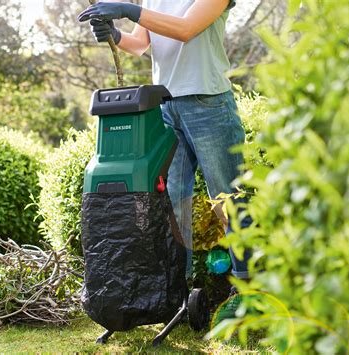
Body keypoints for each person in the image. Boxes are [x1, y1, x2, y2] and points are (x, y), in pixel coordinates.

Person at [78, 0, 250, 288]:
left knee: (228, 201)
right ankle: (176, 291)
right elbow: (139, 44)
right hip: (167, 107)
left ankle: (247, 291)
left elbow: (185, 30)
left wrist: (127, 10)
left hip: (208, 104)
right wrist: (114, 34)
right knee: (171, 204)